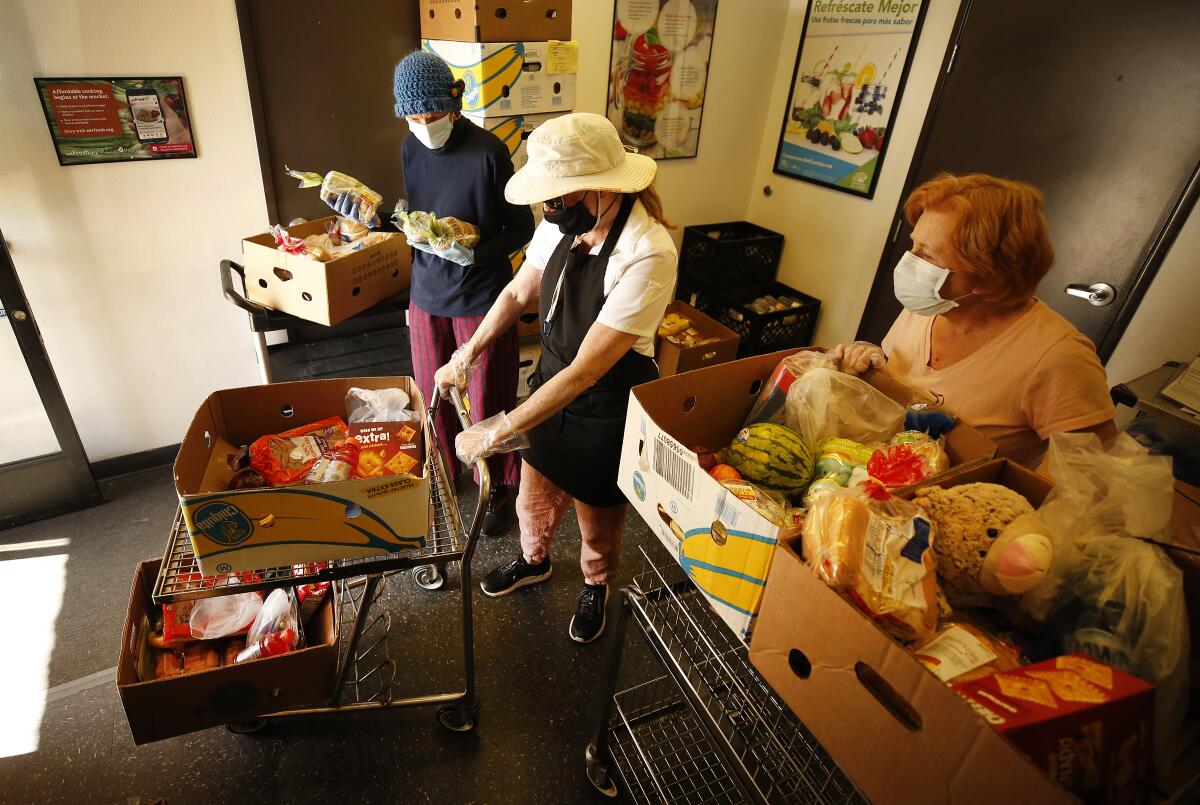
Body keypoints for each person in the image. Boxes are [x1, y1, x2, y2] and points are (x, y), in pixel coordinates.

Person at [433, 113, 677, 643]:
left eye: (558, 197)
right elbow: (519, 293)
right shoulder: (562, 223)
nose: (548, 208)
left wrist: (498, 430)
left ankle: (595, 584)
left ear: (600, 187)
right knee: (531, 498)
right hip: (551, 383)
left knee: (597, 521)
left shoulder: (647, 251)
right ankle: (533, 560)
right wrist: (467, 353)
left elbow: (588, 370)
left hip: (606, 401)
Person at [330, 51, 535, 536]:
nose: (425, 125)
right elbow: (417, 222)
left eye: (434, 115)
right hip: (426, 294)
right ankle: (447, 474)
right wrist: (373, 220)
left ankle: (500, 486)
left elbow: (522, 225)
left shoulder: (488, 152)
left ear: (454, 102)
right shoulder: (411, 148)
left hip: (482, 295)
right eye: (414, 117)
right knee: (432, 395)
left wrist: (477, 252)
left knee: (488, 395)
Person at [835, 172, 1116, 467]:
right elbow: (899, 375)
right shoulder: (931, 304)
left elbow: (1087, 478)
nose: (908, 264)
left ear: (987, 275)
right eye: (913, 246)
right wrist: (869, 360)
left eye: (927, 256)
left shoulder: (1059, 357)